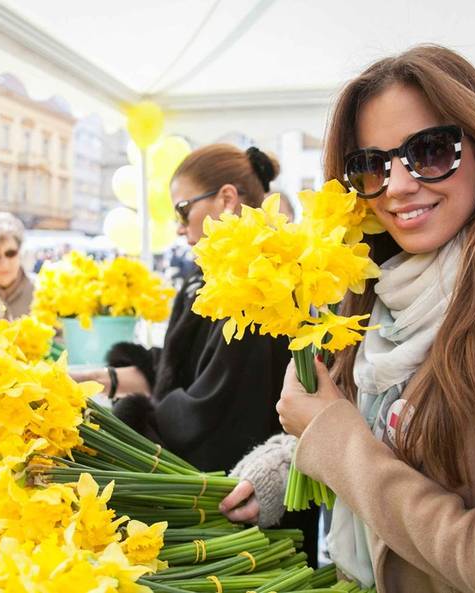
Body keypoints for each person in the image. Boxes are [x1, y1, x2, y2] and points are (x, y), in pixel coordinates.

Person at [224, 45, 475, 592]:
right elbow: (376, 430)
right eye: (370, 164)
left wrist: (329, 437)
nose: (396, 185)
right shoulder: (371, 291)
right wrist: (286, 463)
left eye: (431, 151)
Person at [74, 144, 319, 562]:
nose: (179, 228)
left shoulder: (262, 283)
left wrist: (129, 428)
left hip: (245, 512)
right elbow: (180, 369)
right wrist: (106, 378)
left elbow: (213, 411)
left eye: (183, 209)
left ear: (226, 199)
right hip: (226, 509)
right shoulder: (208, 277)